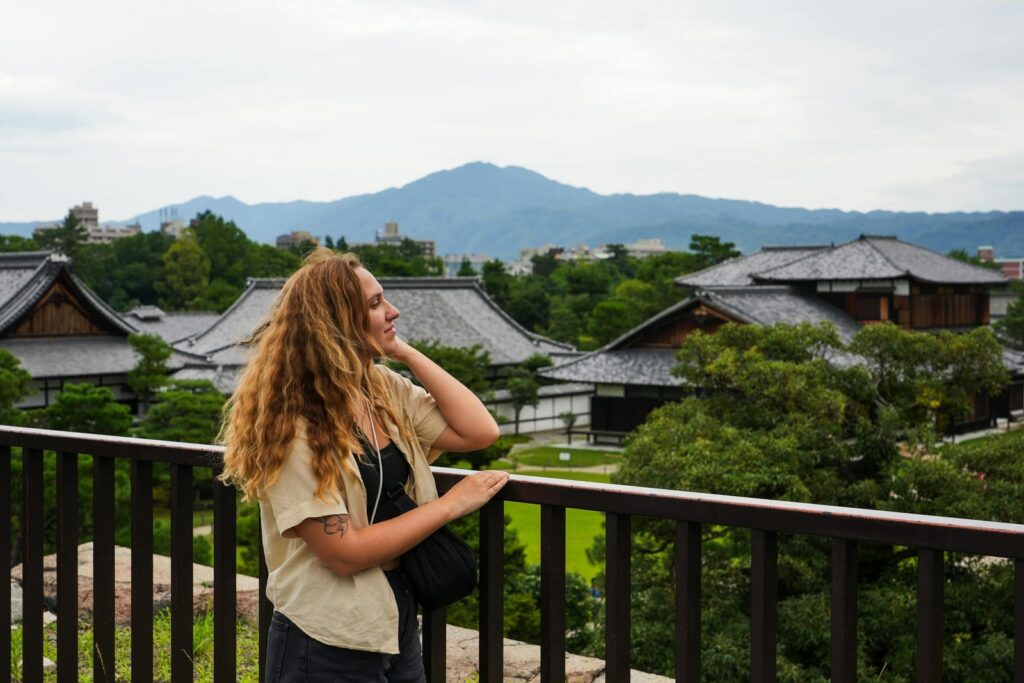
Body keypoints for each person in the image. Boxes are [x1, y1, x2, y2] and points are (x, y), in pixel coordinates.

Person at [219, 248, 509, 682]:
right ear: (335, 321)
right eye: (374, 304)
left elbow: (479, 431)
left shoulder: (380, 389)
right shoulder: (292, 423)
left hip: (395, 614)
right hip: (324, 636)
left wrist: (404, 352)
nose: (393, 310)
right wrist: (451, 505)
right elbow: (343, 553)